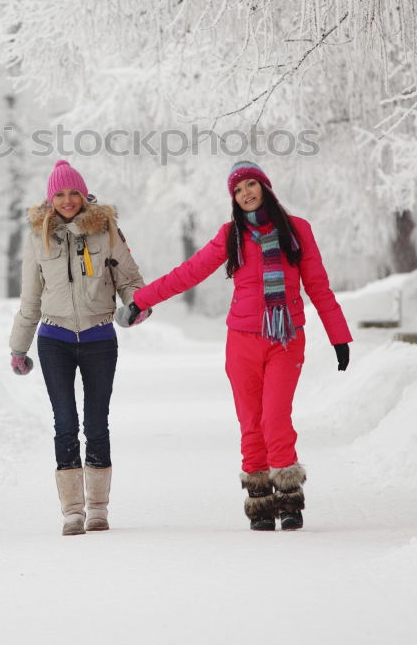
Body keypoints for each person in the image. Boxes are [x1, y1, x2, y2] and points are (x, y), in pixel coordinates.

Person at [116, 160, 352, 532]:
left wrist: (339, 337)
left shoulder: (298, 231)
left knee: (275, 418)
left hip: (285, 338)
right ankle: (260, 502)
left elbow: (318, 286)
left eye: (251, 185)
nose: (245, 193)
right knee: (250, 423)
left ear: (265, 187)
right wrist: (141, 300)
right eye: (238, 190)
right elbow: (189, 272)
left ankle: (289, 499)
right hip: (241, 341)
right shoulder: (231, 235)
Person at [9, 159, 147, 536]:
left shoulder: (106, 229)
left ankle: (98, 507)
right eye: (60, 194)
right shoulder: (38, 235)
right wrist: (19, 347)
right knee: (65, 423)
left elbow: (129, 278)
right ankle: (72, 510)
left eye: (73, 193)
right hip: (54, 339)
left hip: (99, 337)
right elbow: (30, 297)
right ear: (50, 198)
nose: (67, 200)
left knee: (96, 422)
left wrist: (136, 305)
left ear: (84, 195)